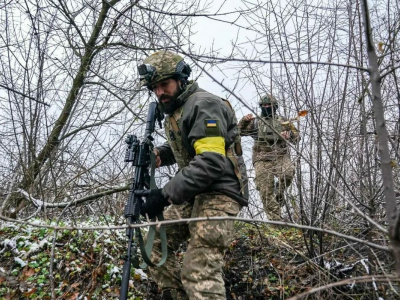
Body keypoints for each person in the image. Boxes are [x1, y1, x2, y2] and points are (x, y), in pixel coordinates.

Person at [136, 50, 247, 300]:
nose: (159, 92)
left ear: (181, 79)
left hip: (219, 193)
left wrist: (164, 195)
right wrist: (160, 155)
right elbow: (191, 148)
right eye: (154, 87)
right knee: (153, 247)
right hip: (195, 193)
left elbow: (210, 162)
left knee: (198, 272)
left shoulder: (203, 104)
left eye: (164, 84)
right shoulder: (178, 109)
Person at [238, 94, 299, 221]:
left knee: (287, 173)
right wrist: (244, 121)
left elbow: (297, 138)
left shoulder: (284, 121)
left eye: (268, 105)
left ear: (274, 106)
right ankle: (276, 221)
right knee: (265, 190)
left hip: (280, 156)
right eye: (263, 105)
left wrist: (289, 134)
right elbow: (238, 132)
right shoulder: (255, 122)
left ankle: (279, 193)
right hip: (261, 158)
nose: (266, 107)